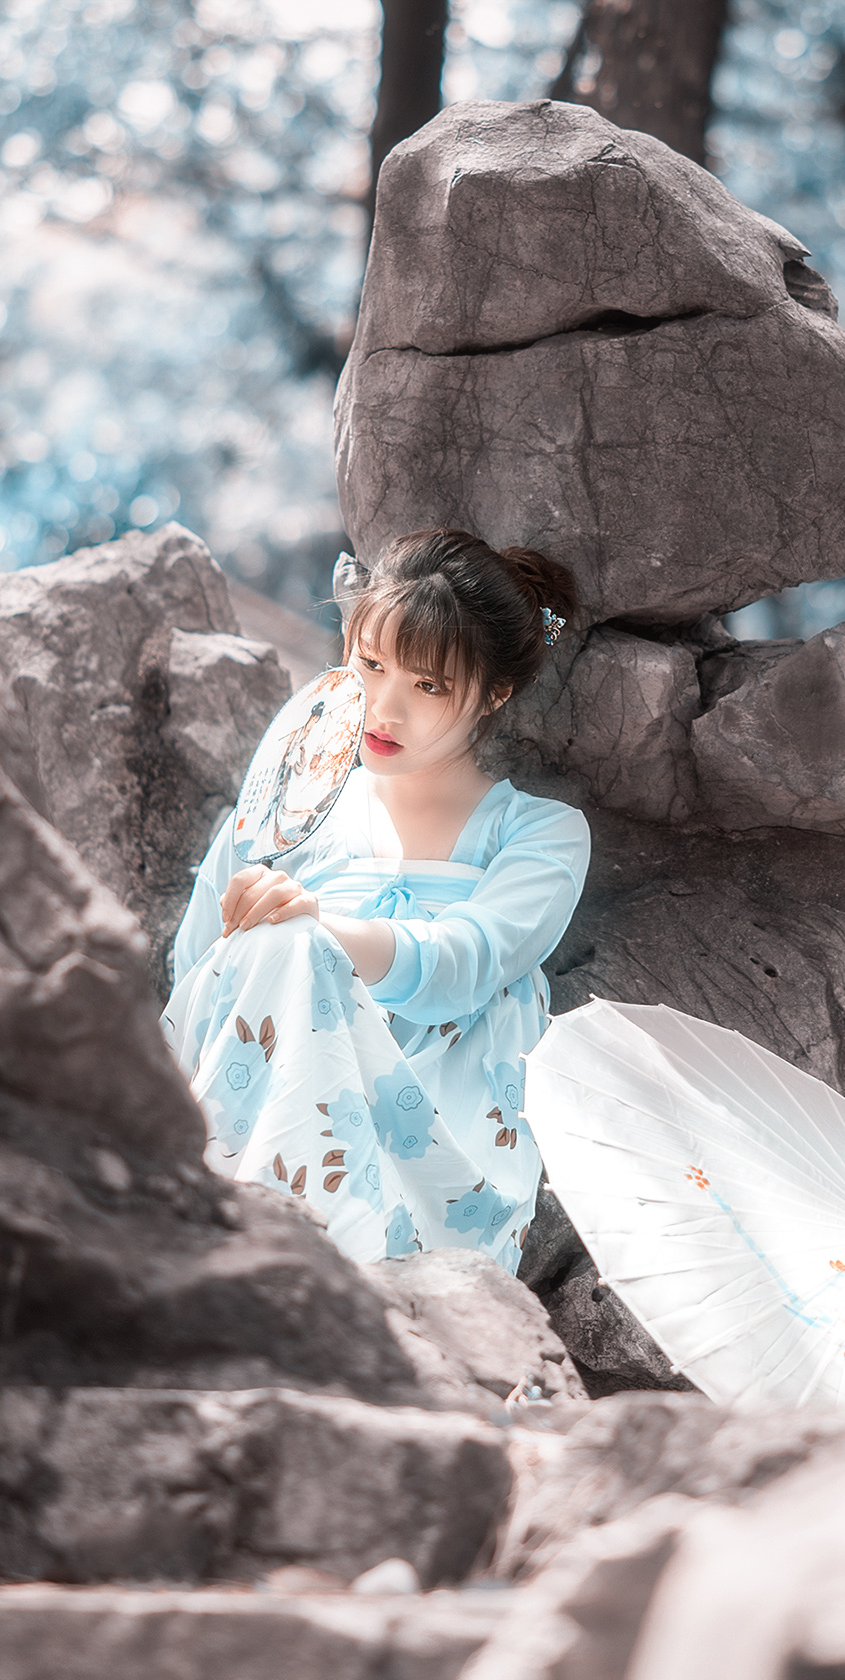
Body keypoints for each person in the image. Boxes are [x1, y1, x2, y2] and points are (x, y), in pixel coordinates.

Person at [161, 528, 590, 1272]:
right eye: (370, 664)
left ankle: (274, 1257)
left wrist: (320, 929)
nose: (383, 708)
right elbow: (199, 964)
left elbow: (467, 962)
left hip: (432, 1157)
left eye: (429, 686)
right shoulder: (295, 795)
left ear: (495, 693)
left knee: (293, 941)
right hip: (256, 1102)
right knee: (277, 945)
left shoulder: (539, 832)